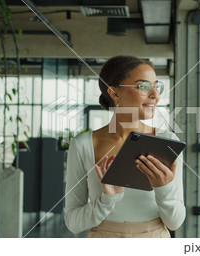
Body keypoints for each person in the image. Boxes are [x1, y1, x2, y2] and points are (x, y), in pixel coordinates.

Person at [64, 56, 186, 238]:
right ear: (114, 93)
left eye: (156, 86)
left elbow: (175, 222)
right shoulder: (83, 145)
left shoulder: (167, 140)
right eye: (143, 86)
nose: (155, 95)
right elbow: (73, 223)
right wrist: (107, 200)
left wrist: (164, 188)